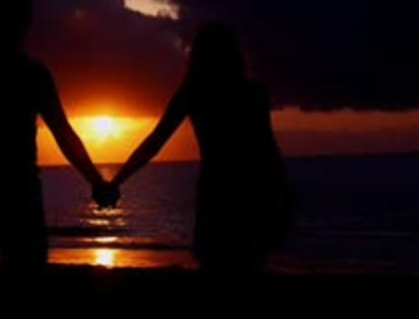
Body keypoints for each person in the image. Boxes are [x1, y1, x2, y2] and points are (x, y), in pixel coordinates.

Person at [98, 21, 293, 273]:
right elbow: (268, 152)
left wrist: (116, 182)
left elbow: (155, 142)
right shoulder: (252, 92)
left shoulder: (194, 93)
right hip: (249, 190)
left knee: (217, 266)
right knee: (249, 265)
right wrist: (280, 198)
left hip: (219, 190)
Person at [0, 0, 113, 274]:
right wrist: (97, 182)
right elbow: (63, 133)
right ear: (28, 20)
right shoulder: (32, 74)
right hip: (17, 196)